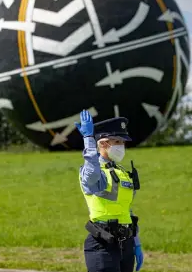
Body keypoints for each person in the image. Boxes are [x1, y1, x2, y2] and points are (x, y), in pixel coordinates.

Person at [75, 109, 144, 272]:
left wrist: (136, 242)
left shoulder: (120, 171)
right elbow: (92, 172)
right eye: (118, 142)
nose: (122, 146)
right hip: (103, 244)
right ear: (103, 143)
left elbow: (126, 209)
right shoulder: (94, 171)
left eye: (122, 142)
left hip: (125, 243)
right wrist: (88, 139)